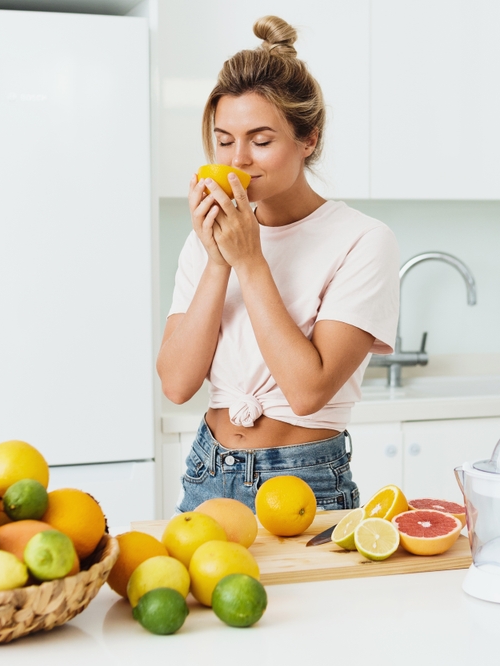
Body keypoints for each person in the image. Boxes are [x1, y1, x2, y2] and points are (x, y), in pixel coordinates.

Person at [157, 15, 400, 514]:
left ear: (307, 139)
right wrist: (218, 261)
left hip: (304, 481)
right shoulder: (205, 240)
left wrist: (249, 261)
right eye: (224, 140)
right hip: (208, 470)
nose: (237, 159)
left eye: (261, 140)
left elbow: (308, 389)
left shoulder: (362, 240)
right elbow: (178, 384)